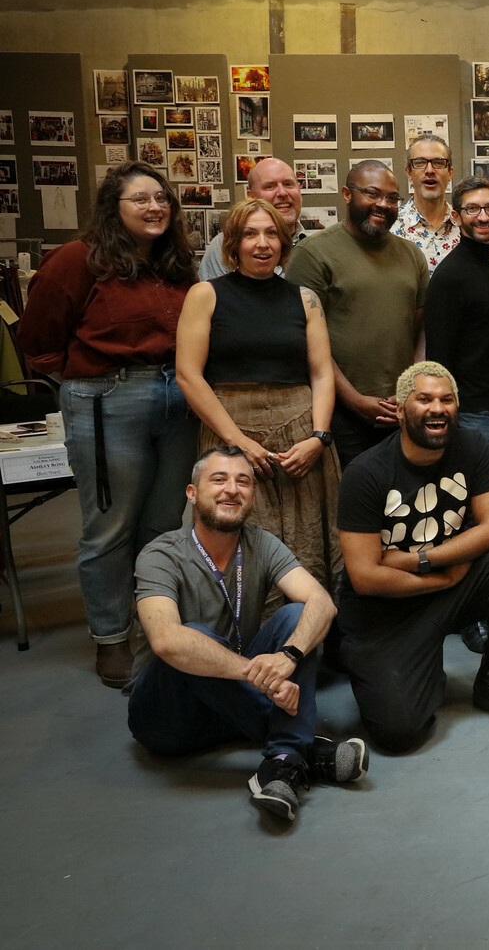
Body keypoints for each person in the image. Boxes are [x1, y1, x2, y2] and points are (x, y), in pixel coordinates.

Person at [17, 162, 198, 687]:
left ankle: (154, 626)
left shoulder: (175, 263)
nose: (154, 207)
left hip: (177, 397)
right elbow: (38, 341)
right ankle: (110, 638)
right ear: (112, 208)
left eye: (162, 198)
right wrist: (85, 380)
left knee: (163, 523)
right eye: (140, 198)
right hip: (108, 398)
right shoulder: (78, 259)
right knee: (109, 527)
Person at [127, 445, 366, 824]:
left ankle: (283, 762)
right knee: (192, 635)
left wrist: (287, 657)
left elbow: (322, 603)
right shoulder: (160, 554)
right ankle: (305, 747)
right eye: (218, 479)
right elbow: (167, 641)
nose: (231, 490)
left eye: (243, 482)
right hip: (169, 717)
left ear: (252, 496)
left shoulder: (261, 543)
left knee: (295, 616)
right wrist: (259, 677)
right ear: (192, 494)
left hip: (237, 704)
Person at [336, 362, 489, 751]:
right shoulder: (366, 473)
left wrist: (424, 562)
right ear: (399, 409)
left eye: (447, 400)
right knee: (398, 733)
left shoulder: (470, 446)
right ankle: (413, 667)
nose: (438, 408)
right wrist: (443, 574)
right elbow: (365, 576)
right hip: (384, 613)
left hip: (443, 585)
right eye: (425, 399)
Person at [175, 198, 342, 590]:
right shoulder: (205, 295)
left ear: (284, 243)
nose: (262, 243)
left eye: (271, 233)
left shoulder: (305, 299)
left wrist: (319, 438)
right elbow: (188, 376)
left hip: (300, 440)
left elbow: (321, 373)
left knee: (308, 541)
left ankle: (309, 635)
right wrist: (240, 444)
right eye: (250, 234)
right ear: (233, 244)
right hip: (230, 433)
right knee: (240, 537)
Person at [284, 160, 428, 468]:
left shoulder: (412, 254)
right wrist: (354, 400)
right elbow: (304, 340)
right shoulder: (313, 253)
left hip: (401, 410)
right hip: (339, 413)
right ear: (347, 194)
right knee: (353, 504)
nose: (383, 204)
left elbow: (422, 326)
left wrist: (411, 387)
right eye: (372, 194)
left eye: (392, 198)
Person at [424, 176, 489, 462]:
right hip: (470, 417)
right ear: (456, 216)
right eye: (472, 209)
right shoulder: (449, 277)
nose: (483, 216)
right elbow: (438, 358)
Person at [197, 158, 306, 281]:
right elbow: (215, 297)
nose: (282, 193)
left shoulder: (316, 246)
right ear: (251, 196)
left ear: (299, 189)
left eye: (288, 184)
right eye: (270, 186)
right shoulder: (225, 246)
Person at [391, 136, 460, 273]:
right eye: (420, 162)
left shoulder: (465, 226)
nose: (429, 170)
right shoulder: (390, 227)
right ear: (409, 173)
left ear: (450, 173)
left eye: (438, 162)